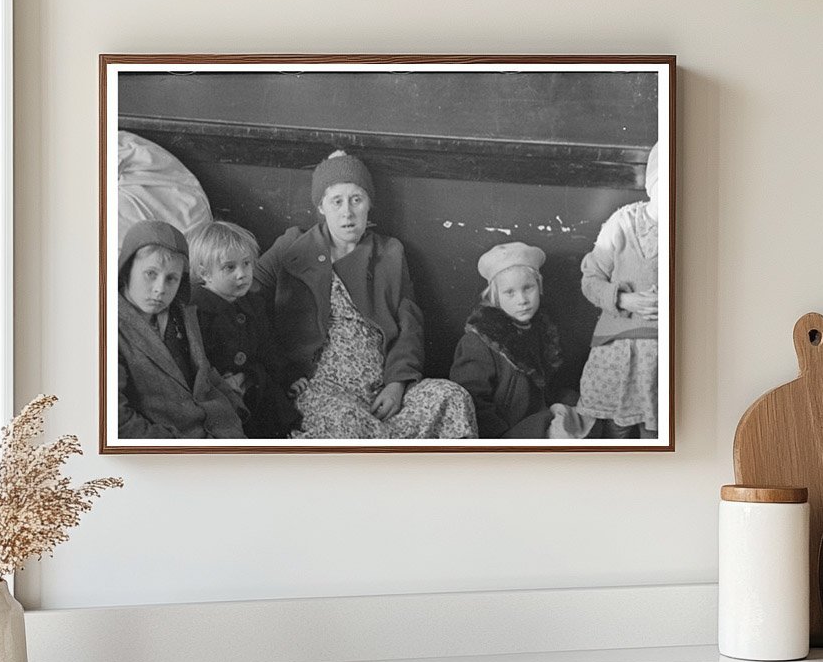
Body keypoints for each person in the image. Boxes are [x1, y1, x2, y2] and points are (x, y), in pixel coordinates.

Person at [254, 149, 476, 439]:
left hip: (380, 389)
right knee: (348, 424)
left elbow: (409, 324)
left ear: (369, 204)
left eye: (356, 200)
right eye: (337, 201)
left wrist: (397, 383)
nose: (347, 212)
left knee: (452, 397)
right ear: (321, 206)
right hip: (320, 390)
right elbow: (247, 297)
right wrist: (280, 371)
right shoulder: (294, 246)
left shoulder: (389, 252)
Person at [117, 219, 245, 439]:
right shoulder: (108, 331)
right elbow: (119, 423)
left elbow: (203, 372)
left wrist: (234, 407)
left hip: (222, 430)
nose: (160, 289)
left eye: (171, 279)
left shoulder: (181, 314)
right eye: (150, 274)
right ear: (127, 270)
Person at [450, 242, 589, 439]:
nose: (522, 299)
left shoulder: (541, 330)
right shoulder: (479, 341)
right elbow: (471, 402)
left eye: (528, 288)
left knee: (589, 414)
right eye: (510, 292)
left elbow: (549, 388)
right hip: (507, 431)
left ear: (538, 286)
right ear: (495, 296)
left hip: (540, 418)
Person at [576, 142, 662, 438]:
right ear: (652, 185)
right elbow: (590, 280)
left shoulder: (692, 228)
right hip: (618, 349)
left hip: (664, 355)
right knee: (618, 432)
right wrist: (625, 299)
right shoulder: (623, 222)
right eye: (665, 183)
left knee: (659, 436)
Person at [188, 220, 299, 438]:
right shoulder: (196, 310)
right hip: (218, 388)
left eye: (247, 264)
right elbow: (196, 360)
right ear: (205, 273)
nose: (242, 274)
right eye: (230, 267)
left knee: (279, 413)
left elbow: (269, 347)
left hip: (253, 382)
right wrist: (220, 382)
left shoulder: (253, 303)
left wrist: (289, 376)